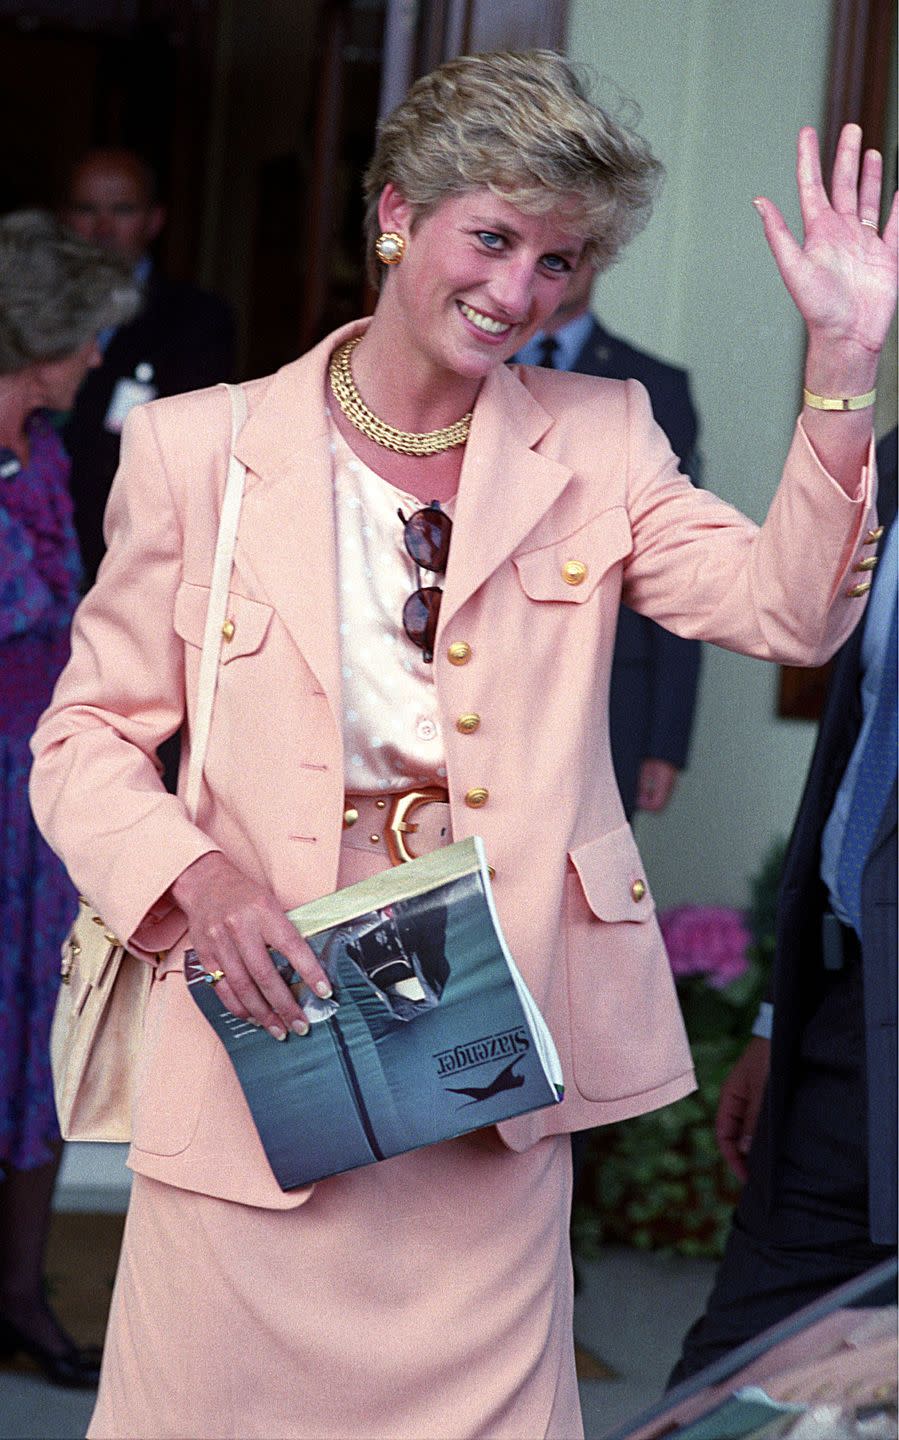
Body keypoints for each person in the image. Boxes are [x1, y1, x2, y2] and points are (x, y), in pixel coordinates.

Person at [28, 49, 895, 1440]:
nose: (515, 293)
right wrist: (202, 884)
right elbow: (81, 739)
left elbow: (783, 611)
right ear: (395, 216)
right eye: (488, 238)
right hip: (263, 1049)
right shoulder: (201, 448)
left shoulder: (602, 436)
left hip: (489, 1063)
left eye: (557, 262)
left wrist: (842, 369)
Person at [670, 423, 897, 1383]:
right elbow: (851, 765)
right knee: (723, 1393)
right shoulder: (885, 468)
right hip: (841, 1032)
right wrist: (776, 1013)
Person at [0, 209, 138, 1386]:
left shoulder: (45, 454)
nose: (100, 356)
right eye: (88, 332)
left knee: (35, 1049)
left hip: (35, 810)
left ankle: (19, 1295)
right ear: (37, 337)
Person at [513, 254, 702, 818]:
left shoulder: (654, 386)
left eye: (565, 253)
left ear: (597, 254)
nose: (554, 268)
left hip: (611, 693)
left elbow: (679, 559)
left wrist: (665, 742)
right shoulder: (472, 362)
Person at [58, 147, 236, 586]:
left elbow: (191, 462)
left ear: (154, 221)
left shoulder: (196, 320)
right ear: (64, 219)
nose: (102, 228)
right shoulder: (34, 313)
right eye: (87, 209)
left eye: (122, 210)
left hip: (130, 561)